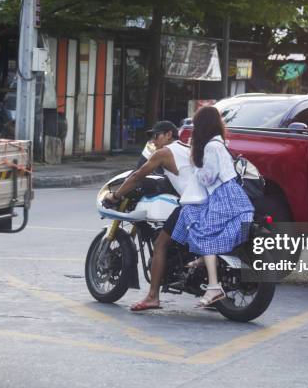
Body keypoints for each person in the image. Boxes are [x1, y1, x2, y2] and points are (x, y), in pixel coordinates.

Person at [104, 120, 193, 311]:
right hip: (210, 200)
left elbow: (138, 176)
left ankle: (153, 296)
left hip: (193, 204)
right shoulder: (187, 148)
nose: (154, 140)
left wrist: (116, 195)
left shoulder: (163, 153)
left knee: (161, 244)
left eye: (157, 135)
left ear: (168, 134)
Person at [171, 106, 255, 307]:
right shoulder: (221, 143)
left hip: (222, 196)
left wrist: (194, 165)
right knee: (207, 228)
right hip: (234, 195)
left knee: (201, 229)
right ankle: (203, 259)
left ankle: (214, 286)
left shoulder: (210, 147)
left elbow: (208, 178)